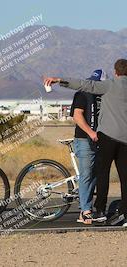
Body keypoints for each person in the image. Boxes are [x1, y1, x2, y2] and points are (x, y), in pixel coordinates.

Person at [44, 59, 127, 224]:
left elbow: (83, 84)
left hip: (107, 137)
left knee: (102, 173)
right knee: (125, 177)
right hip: (125, 139)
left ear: (116, 72)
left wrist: (59, 80)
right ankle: (125, 213)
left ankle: (101, 210)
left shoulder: (109, 85)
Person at [69, 69, 106, 224]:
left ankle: (87, 207)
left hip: (98, 140)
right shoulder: (83, 94)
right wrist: (91, 132)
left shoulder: (104, 97)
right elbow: (77, 115)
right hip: (84, 139)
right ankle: (85, 211)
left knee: (94, 174)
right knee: (86, 175)